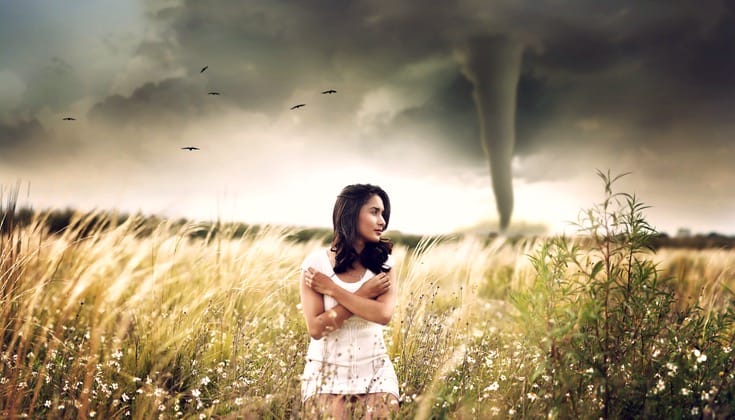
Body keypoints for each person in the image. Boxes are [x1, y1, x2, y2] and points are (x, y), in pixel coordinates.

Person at [299, 184, 400, 419]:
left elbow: (383, 315)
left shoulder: (385, 264)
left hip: (376, 370)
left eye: (383, 214)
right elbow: (316, 328)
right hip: (325, 373)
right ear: (351, 213)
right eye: (374, 212)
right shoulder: (316, 265)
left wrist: (333, 289)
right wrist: (363, 295)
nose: (382, 221)